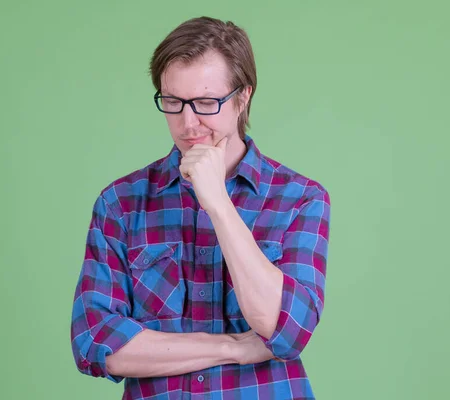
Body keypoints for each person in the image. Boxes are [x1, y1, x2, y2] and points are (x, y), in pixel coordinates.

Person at [70, 16, 331, 400]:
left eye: (206, 102)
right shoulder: (121, 204)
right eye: (173, 102)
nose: (187, 123)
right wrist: (233, 347)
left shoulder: (300, 199)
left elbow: (286, 330)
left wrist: (218, 204)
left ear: (243, 97)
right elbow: (95, 340)